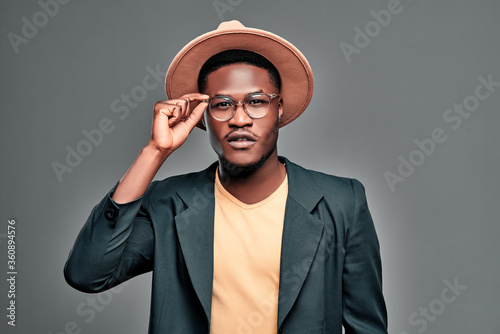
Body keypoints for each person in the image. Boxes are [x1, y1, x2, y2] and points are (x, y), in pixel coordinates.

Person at [64, 20, 388, 334]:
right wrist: (154, 152)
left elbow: (367, 326)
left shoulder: (342, 201)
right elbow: (86, 273)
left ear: (280, 109)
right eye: (222, 104)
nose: (240, 119)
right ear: (203, 116)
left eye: (257, 102)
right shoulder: (170, 204)